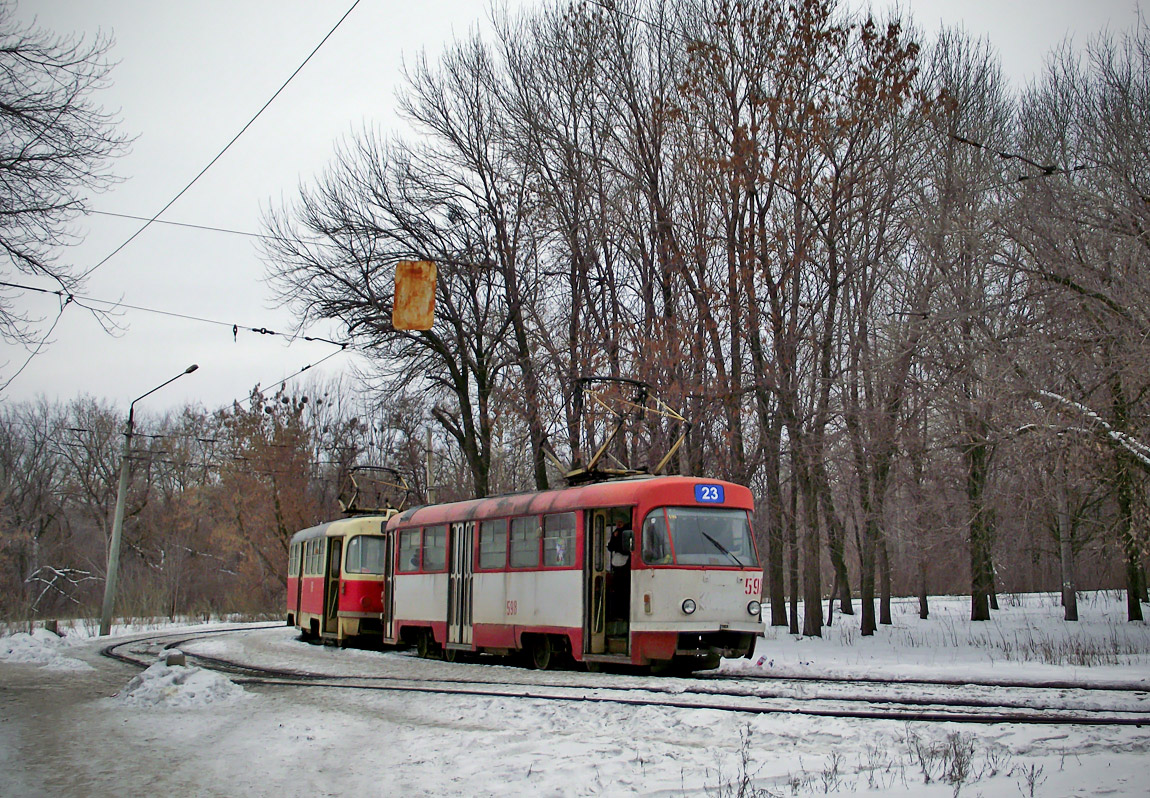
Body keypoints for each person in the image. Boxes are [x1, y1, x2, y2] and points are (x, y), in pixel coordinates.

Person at [607, 522, 632, 623]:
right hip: (620, 564)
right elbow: (611, 547)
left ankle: (622, 614)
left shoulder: (625, 531)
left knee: (622, 591)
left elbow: (613, 547)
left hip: (623, 565)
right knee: (620, 591)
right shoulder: (617, 532)